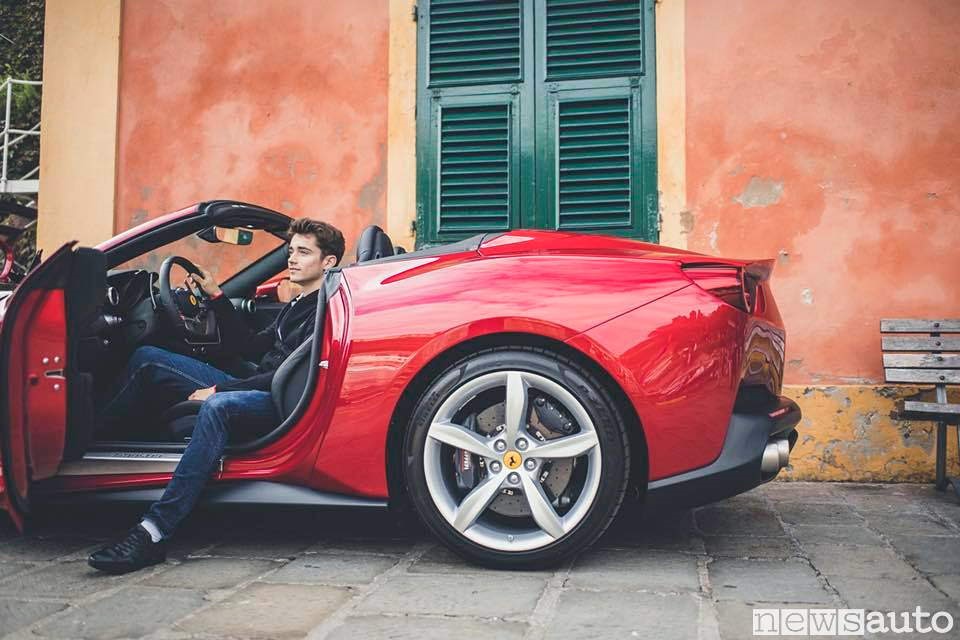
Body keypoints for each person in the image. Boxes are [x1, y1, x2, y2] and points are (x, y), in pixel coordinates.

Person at [88, 218, 345, 574]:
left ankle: (154, 531)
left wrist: (219, 389)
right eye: (290, 251)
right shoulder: (298, 303)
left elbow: (282, 377)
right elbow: (251, 345)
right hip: (258, 382)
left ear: (328, 262)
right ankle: (87, 440)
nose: (292, 259)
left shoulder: (324, 310)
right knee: (148, 360)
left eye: (303, 252)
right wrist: (217, 297)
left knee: (218, 407)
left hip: (278, 399)